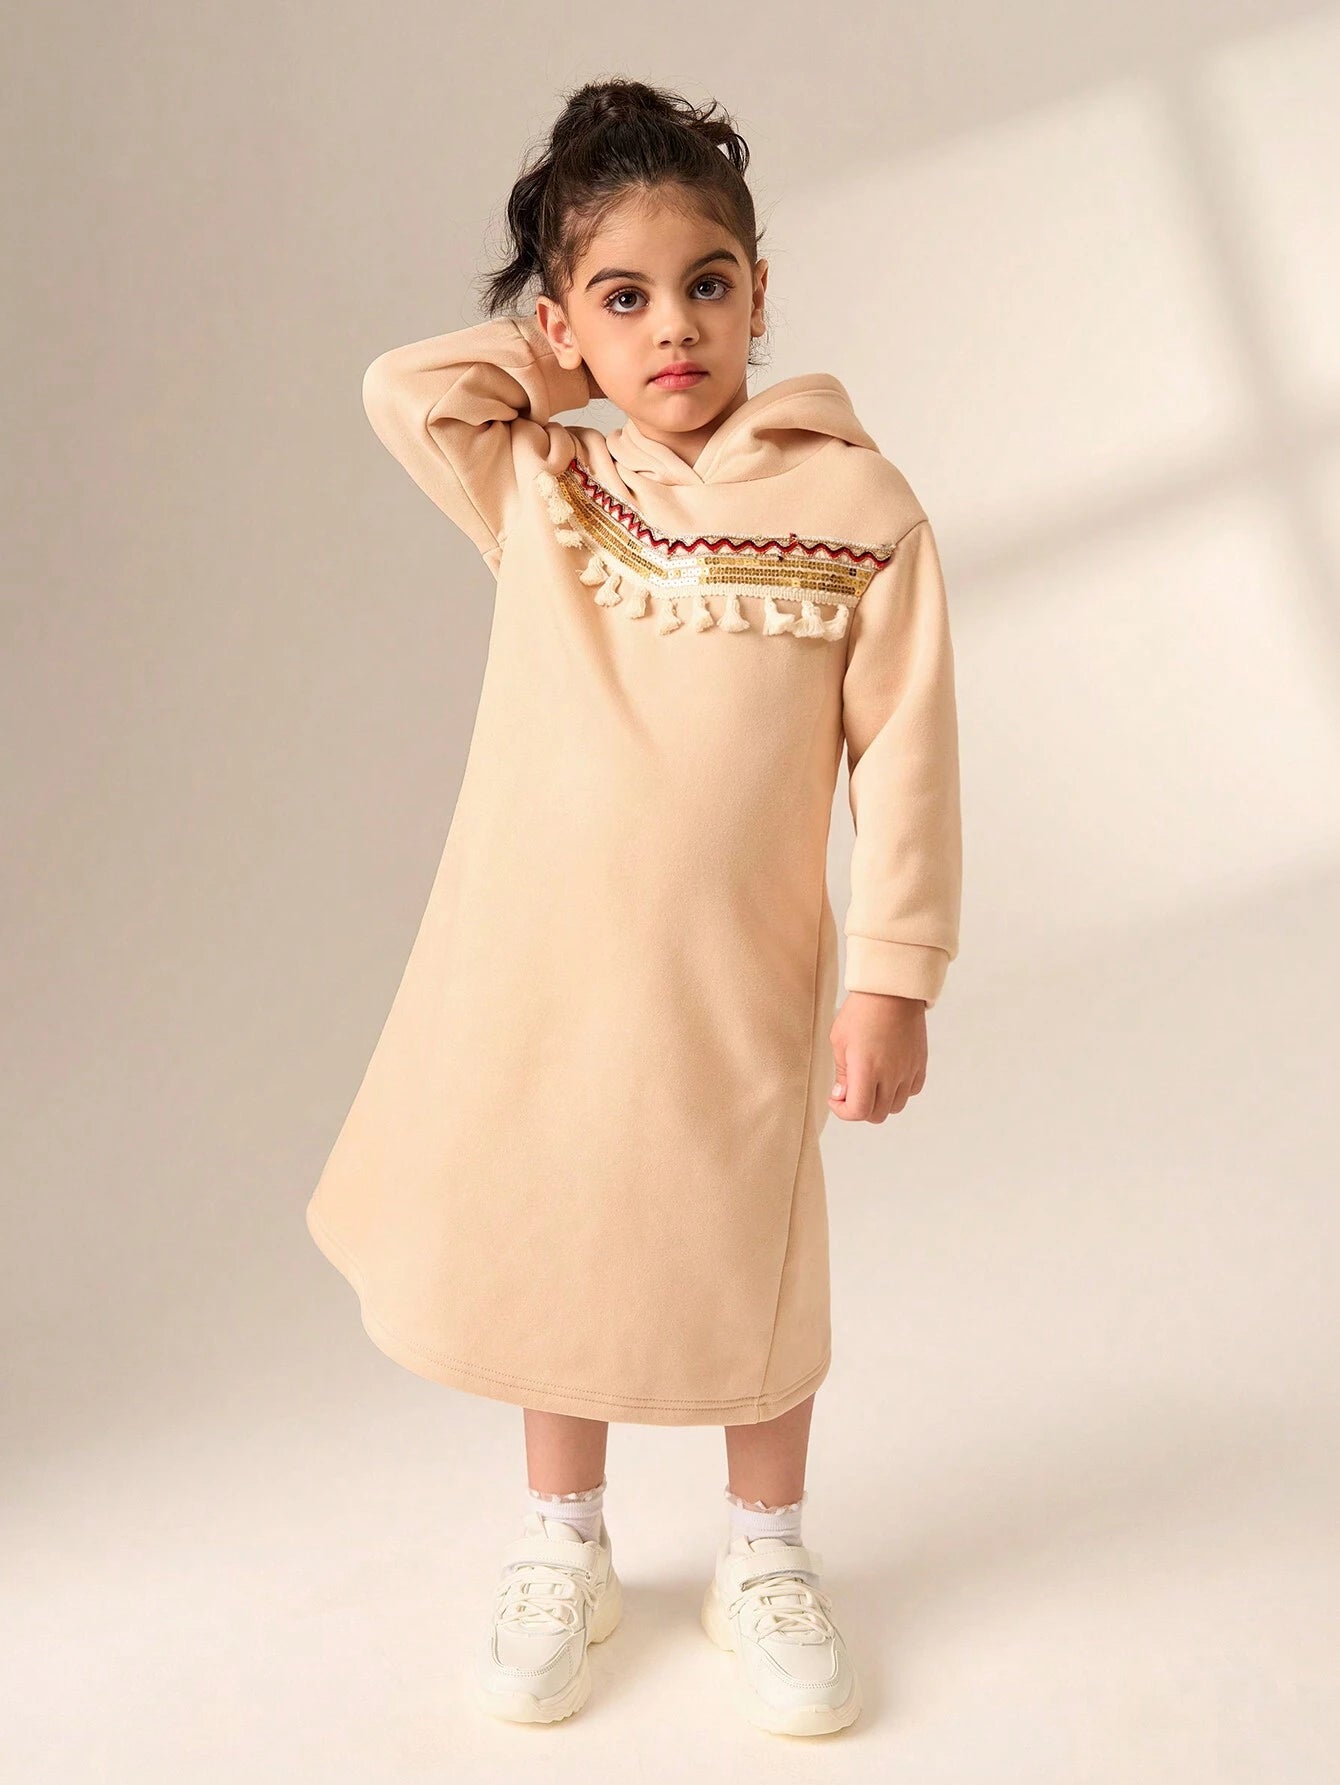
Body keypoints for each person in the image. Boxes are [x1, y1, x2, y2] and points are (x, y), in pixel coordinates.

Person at [305, 75, 962, 1737]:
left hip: (741, 975)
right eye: (623, 297)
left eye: (706, 284)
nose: (672, 325)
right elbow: (402, 392)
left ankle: (765, 1551)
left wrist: (894, 976)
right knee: (562, 1234)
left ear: (759, 293)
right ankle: (565, 1541)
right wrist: (556, 363)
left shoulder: (860, 511)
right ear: (560, 325)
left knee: (754, 1248)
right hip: (548, 975)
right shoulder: (545, 488)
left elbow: (908, 758)